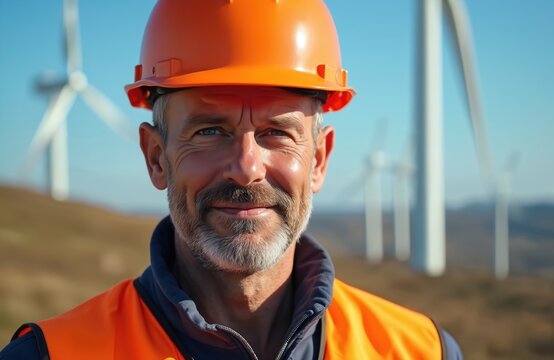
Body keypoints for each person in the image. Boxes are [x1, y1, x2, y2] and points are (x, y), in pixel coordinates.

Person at [1, 0, 462, 359]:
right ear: (156, 157)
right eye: (209, 131)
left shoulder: (421, 351)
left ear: (319, 159)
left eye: (277, 133)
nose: (246, 166)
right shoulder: (51, 355)